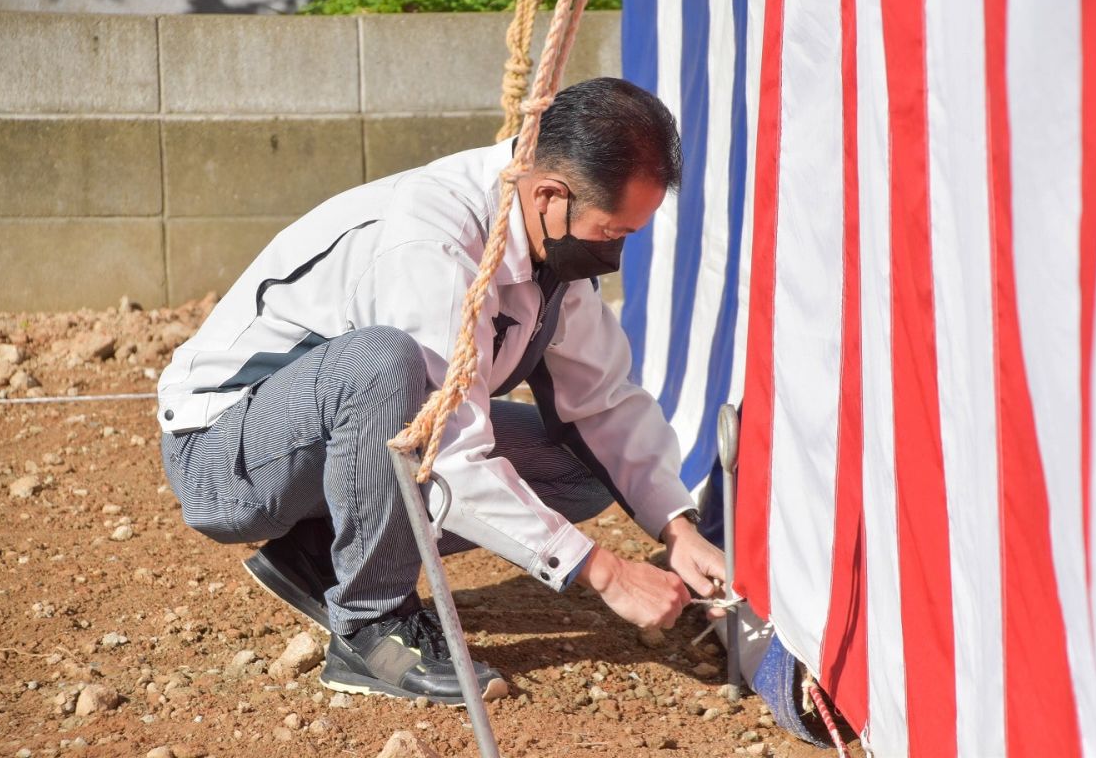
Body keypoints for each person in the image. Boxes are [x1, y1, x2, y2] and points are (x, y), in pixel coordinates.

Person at [156, 77, 727, 706]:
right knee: (383, 363)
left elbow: (603, 401)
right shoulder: (432, 238)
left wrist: (678, 527)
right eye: (612, 232)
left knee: (581, 470)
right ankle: (370, 628)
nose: (614, 252)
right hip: (228, 452)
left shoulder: (548, 239)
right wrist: (605, 571)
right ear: (550, 196)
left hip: (340, 439)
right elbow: (443, 454)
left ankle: (321, 558)